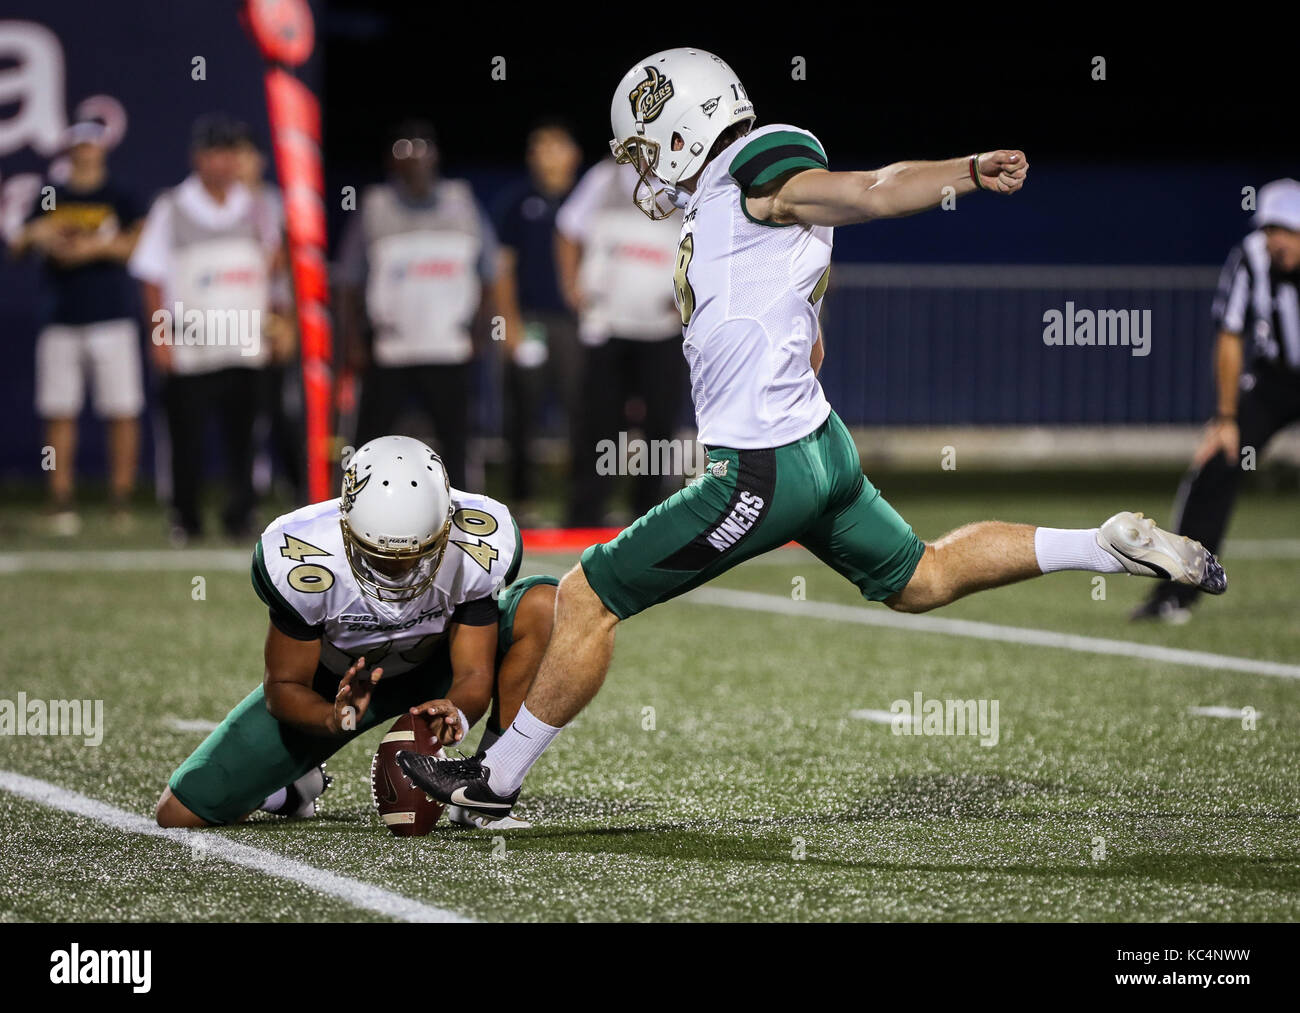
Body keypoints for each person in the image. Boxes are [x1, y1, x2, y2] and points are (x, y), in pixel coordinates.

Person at [396, 47, 1229, 819]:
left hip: (759, 466)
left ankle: (495, 779)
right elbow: (808, 328)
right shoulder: (732, 202)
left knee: (588, 593)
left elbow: (869, 189)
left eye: (647, 148)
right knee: (922, 577)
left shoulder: (756, 162)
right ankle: (1104, 543)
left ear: (685, 132)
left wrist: (965, 172)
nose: (645, 169)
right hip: (815, 443)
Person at [155, 434, 557, 831]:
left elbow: (473, 673)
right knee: (181, 811)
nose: (399, 570)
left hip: (438, 663)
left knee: (542, 606)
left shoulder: (477, 542)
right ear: (345, 524)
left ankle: (483, 792)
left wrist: (457, 711)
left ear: (446, 527)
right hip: (338, 684)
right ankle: (290, 792)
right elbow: (284, 683)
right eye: (379, 554)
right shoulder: (303, 555)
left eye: (417, 552)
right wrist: (331, 718)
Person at [1133, 178, 1300, 622]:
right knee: (1217, 463)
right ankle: (1177, 591)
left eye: (1287, 230)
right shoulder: (1252, 257)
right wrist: (1226, 416)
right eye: (1270, 230)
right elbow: (1230, 334)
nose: (1276, 241)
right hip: (1275, 379)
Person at [335, 120, 523, 489]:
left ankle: (461, 515)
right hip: (391, 349)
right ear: (391, 160)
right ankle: (352, 510)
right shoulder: (374, 208)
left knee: (454, 441)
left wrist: (480, 329)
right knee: (370, 440)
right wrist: (354, 342)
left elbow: (489, 273)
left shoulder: (463, 204)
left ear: (436, 155)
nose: (415, 160)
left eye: (422, 149)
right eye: (404, 150)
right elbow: (348, 283)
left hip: (448, 347)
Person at [129, 113, 278, 543]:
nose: (223, 162)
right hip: (191, 345)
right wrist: (159, 338)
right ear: (198, 157)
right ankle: (186, 517)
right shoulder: (172, 206)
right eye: (214, 152)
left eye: (231, 152)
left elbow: (274, 266)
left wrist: (276, 322)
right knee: (187, 439)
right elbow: (150, 276)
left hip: (246, 343)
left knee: (244, 439)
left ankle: (241, 515)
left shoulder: (258, 206)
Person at [10, 120, 145, 535]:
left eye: (92, 144)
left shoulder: (120, 196)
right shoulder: (52, 194)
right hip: (61, 317)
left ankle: (121, 499)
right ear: (70, 148)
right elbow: (19, 244)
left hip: (111, 316)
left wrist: (91, 248)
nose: (86, 151)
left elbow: (137, 246)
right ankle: (60, 497)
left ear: (102, 148)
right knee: (58, 410)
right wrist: (42, 234)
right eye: (79, 144)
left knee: (121, 409)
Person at [556, 156, 689, 526]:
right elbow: (567, 227)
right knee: (598, 423)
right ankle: (584, 516)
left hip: (660, 330)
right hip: (607, 326)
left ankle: (649, 516)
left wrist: (685, 297)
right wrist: (571, 286)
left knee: (660, 426)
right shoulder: (606, 177)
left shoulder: (686, 181)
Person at [492, 118, 583, 518]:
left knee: (581, 410)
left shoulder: (584, 200)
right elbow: (503, 267)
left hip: (575, 324)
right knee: (523, 413)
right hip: (529, 319)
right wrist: (508, 321)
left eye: (555, 146)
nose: (546, 157)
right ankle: (522, 499)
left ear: (573, 155)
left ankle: (581, 502)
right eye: (539, 148)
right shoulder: (516, 202)